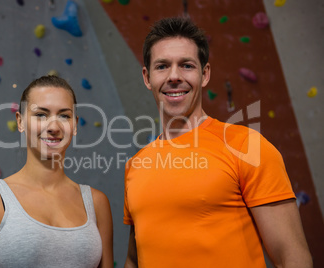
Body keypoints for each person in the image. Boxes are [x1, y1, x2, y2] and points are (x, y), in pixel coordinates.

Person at [123, 17, 312, 268]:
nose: (174, 76)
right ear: (147, 78)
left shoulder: (246, 146)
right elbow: (134, 261)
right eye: (162, 66)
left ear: (205, 74)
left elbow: (293, 257)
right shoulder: (135, 165)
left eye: (187, 65)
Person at [0, 75, 114, 267]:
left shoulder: (97, 203)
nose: (54, 127)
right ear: (20, 121)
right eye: (41, 114)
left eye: (64, 116)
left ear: (75, 125)